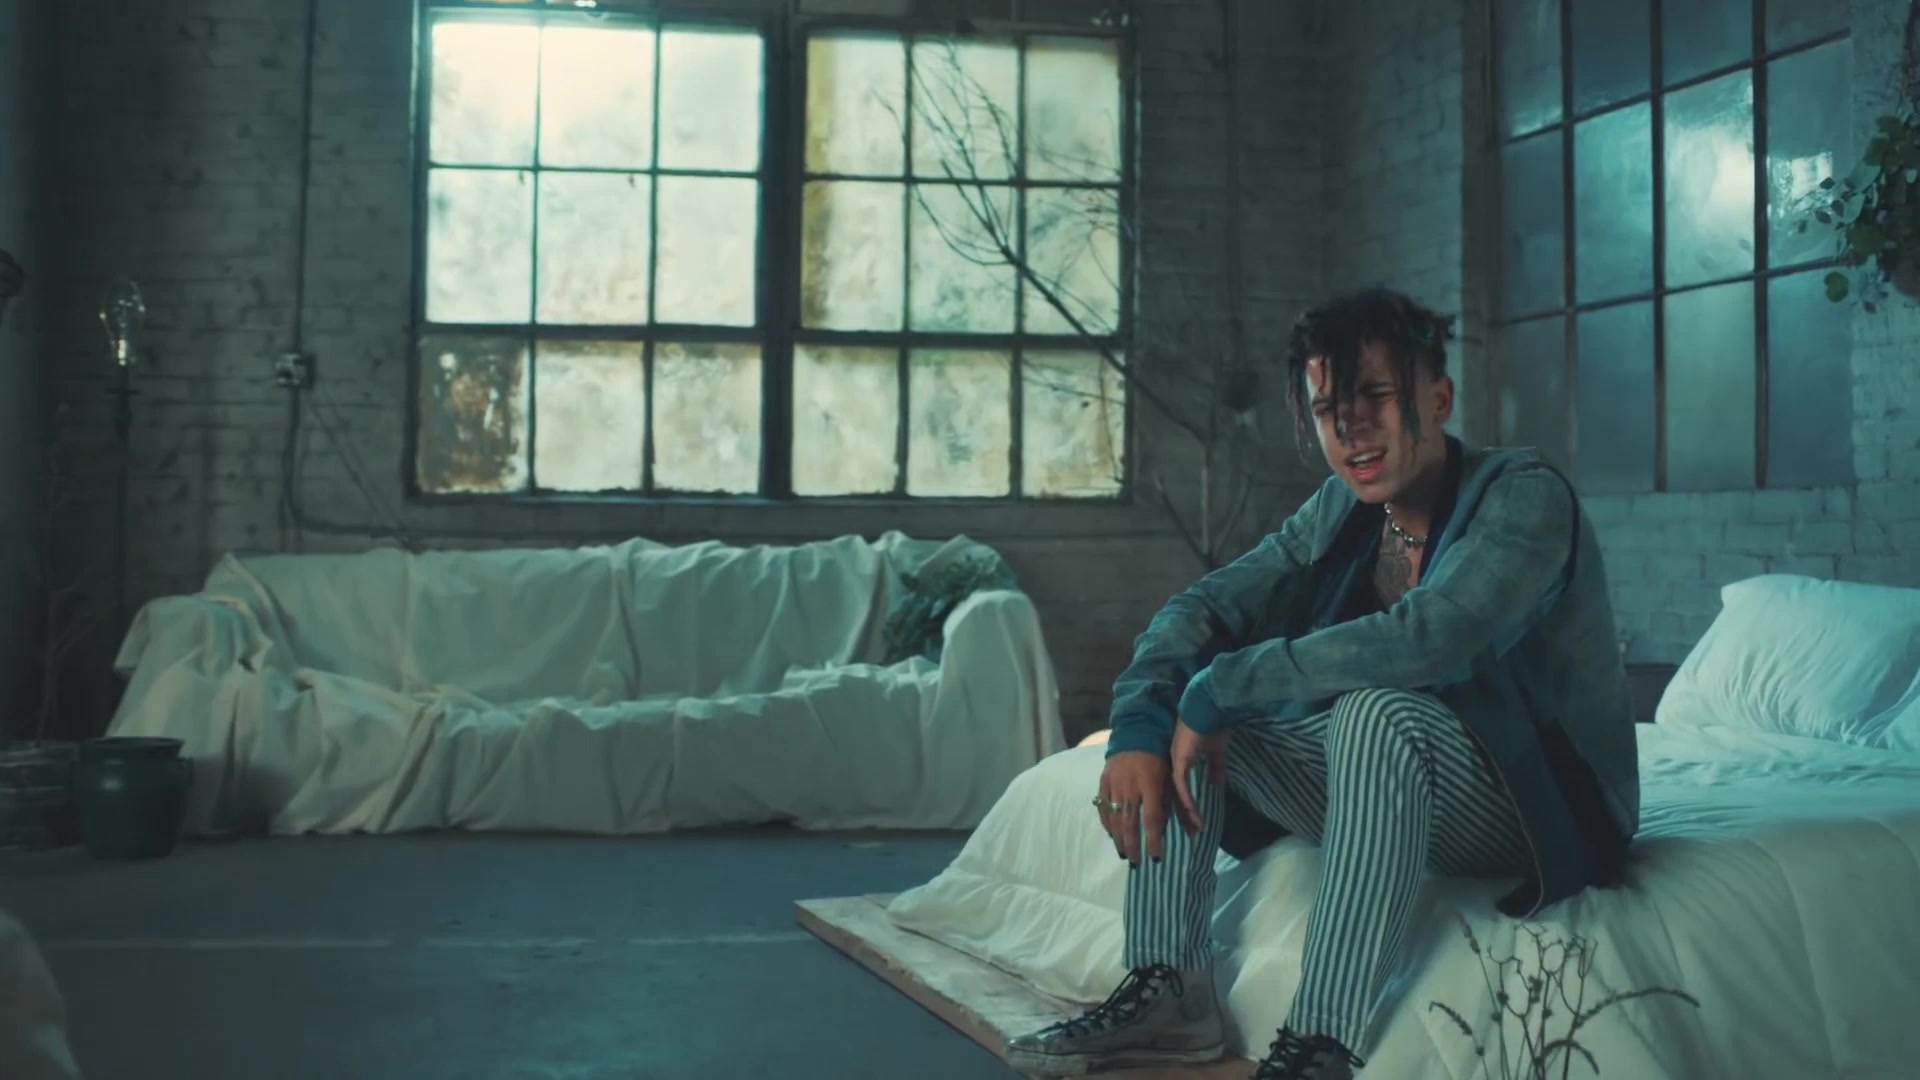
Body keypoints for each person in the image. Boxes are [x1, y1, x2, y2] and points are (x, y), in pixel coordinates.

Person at [1005, 287, 1639, 1080]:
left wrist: (1222, 687)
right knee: (1189, 703)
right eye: (1328, 408)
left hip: (1537, 803)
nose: (1350, 428)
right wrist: (1139, 724)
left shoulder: (1524, 497)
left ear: (1438, 399)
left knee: (1367, 711)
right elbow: (1207, 608)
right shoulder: (1343, 507)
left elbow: (1431, 639)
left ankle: (1319, 1044)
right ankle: (1170, 988)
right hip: (1398, 786)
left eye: (1376, 396)